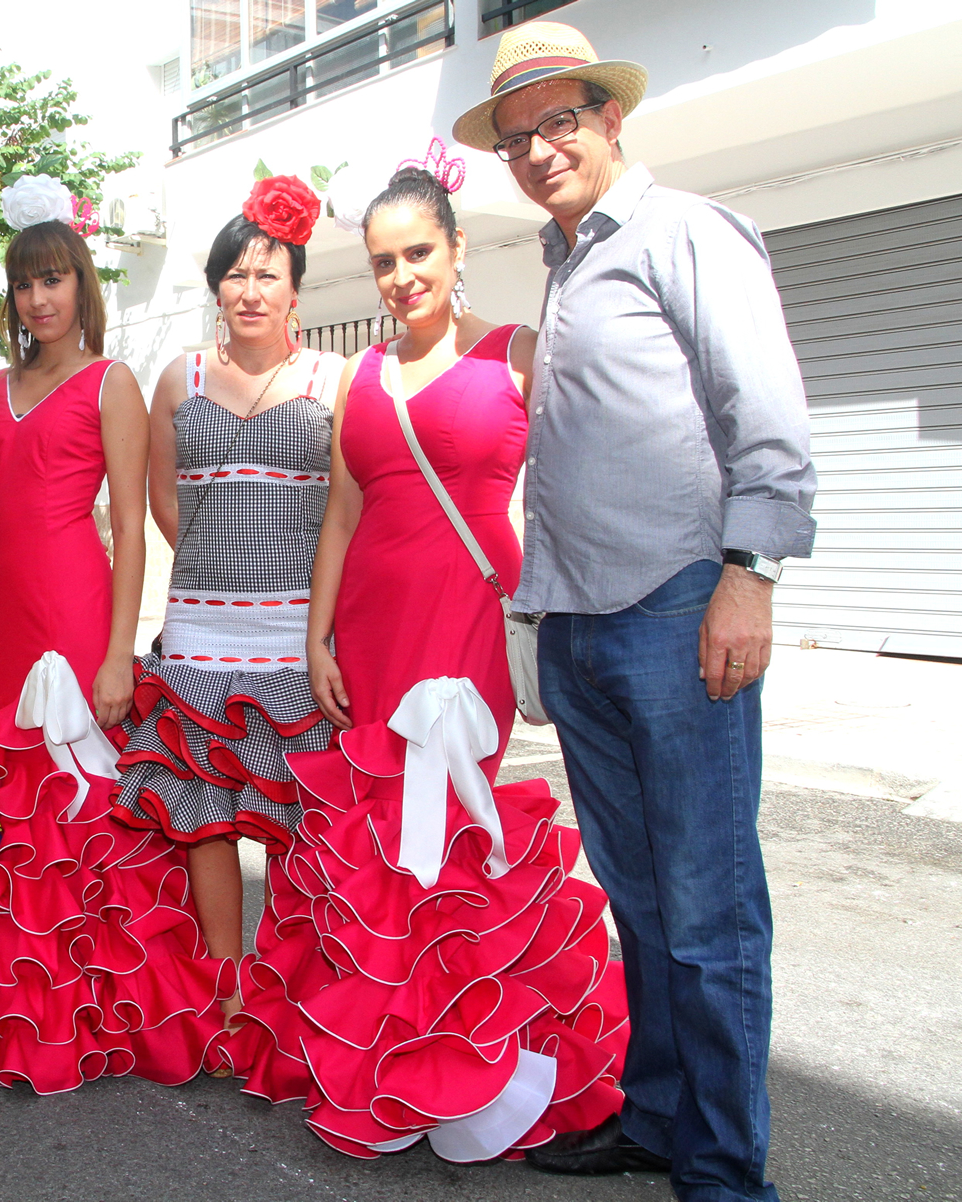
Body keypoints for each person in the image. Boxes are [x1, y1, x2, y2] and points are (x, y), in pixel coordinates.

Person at [451, 22, 816, 1200]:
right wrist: (540, 627)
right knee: (645, 902)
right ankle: (660, 1119)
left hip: (677, 609)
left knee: (710, 912)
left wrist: (749, 573)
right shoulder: (565, 268)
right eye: (517, 137)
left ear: (610, 117)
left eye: (560, 121)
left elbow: (764, 414)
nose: (540, 149)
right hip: (583, 625)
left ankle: (725, 1171)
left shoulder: (685, 232)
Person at [233, 162, 629, 1163]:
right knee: (371, 838)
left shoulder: (518, 352)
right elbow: (343, 511)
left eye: (418, 253)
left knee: (451, 836)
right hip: (370, 630)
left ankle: (470, 1066)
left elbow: (582, 481)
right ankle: (382, 1066)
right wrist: (315, 634)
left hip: (468, 627)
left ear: (455, 250)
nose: (402, 275)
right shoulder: (361, 377)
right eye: (383, 261)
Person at [0, 180, 225, 1092]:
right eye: (25, 284)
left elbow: (132, 522)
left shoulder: (110, 381)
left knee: (90, 816)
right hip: (8, 631)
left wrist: (120, 652)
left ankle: (113, 1009)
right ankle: (36, 1002)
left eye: (55, 280)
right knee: (22, 820)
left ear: (81, 286)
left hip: (79, 618)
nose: (40, 299)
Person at [112, 176, 344, 1035]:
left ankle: (289, 992)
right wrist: (217, 572)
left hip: (296, 640)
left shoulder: (334, 379)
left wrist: (317, 620)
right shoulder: (180, 378)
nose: (250, 291)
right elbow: (165, 503)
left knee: (290, 820)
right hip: (199, 637)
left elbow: (346, 512)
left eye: (268, 275)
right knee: (206, 816)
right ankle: (227, 988)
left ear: (295, 290)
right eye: (235, 275)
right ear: (217, 286)